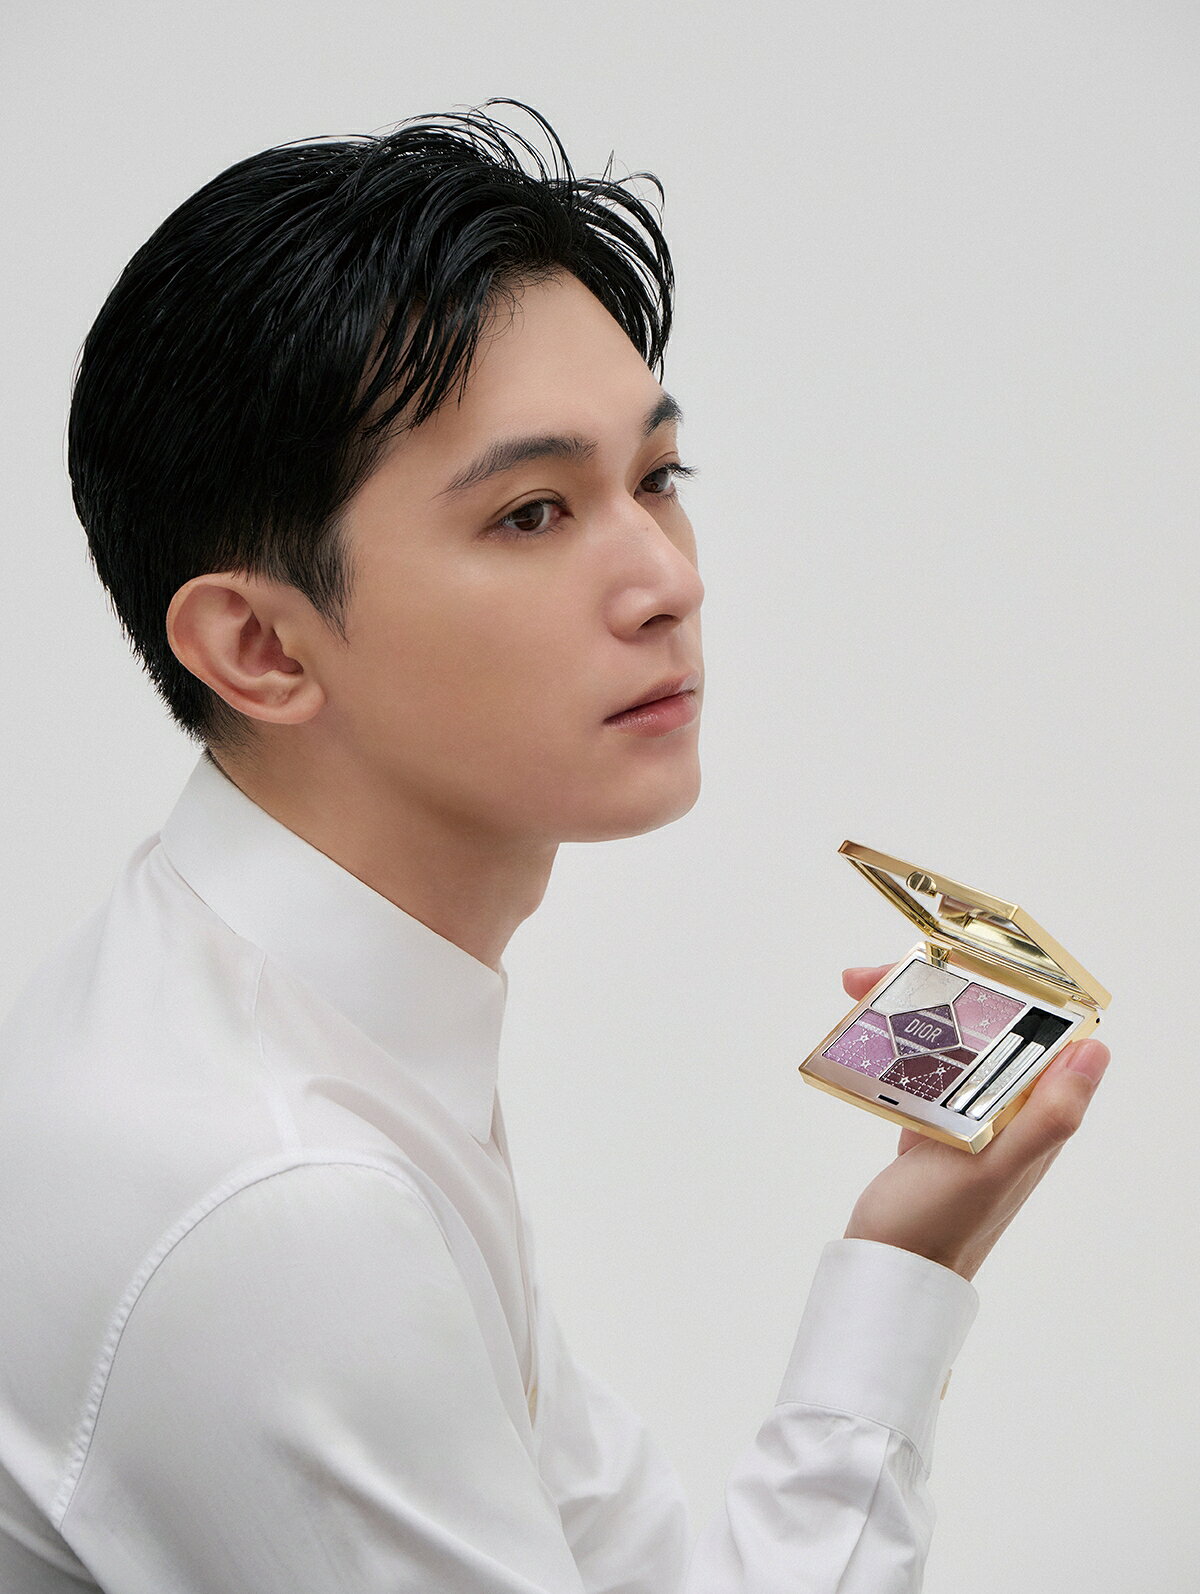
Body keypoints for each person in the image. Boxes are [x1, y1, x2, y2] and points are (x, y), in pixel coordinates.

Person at [0, 98, 1110, 1592]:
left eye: (656, 478)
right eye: (532, 513)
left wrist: (911, 1254)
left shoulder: (308, 1021)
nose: (666, 580)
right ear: (259, 646)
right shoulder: (282, 1204)